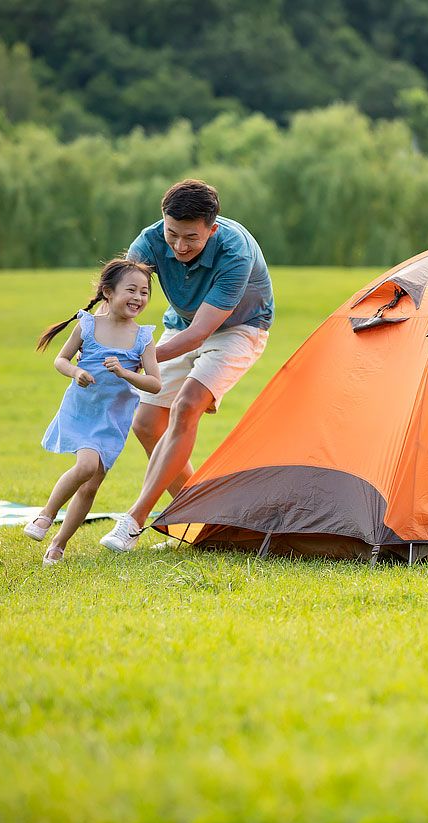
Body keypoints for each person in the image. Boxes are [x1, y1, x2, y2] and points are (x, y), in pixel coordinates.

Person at [99, 179, 274, 552]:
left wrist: (135, 356)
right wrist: (98, 342)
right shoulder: (147, 242)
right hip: (180, 324)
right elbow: (120, 301)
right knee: (146, 424)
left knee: (186, 406)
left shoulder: (234, 252)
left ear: (212, 228)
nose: (179, 246)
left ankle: (134, 521)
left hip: (238, 329)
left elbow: (201, 333)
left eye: (190, 237)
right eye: (172, 233)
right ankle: (197, 524)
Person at [25, 259, 161, 564]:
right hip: (81, 410)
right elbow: (60, 360)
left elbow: (154, 383)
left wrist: (127, 374)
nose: (138, 298)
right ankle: (46, 515)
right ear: (108, 292)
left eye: (144, 292)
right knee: (86, 466)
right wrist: (75, 373)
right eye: (131, 290)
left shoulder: (143, 337)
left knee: (91, 486)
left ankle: (59, 544)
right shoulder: (88, 325)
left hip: (113, 419)